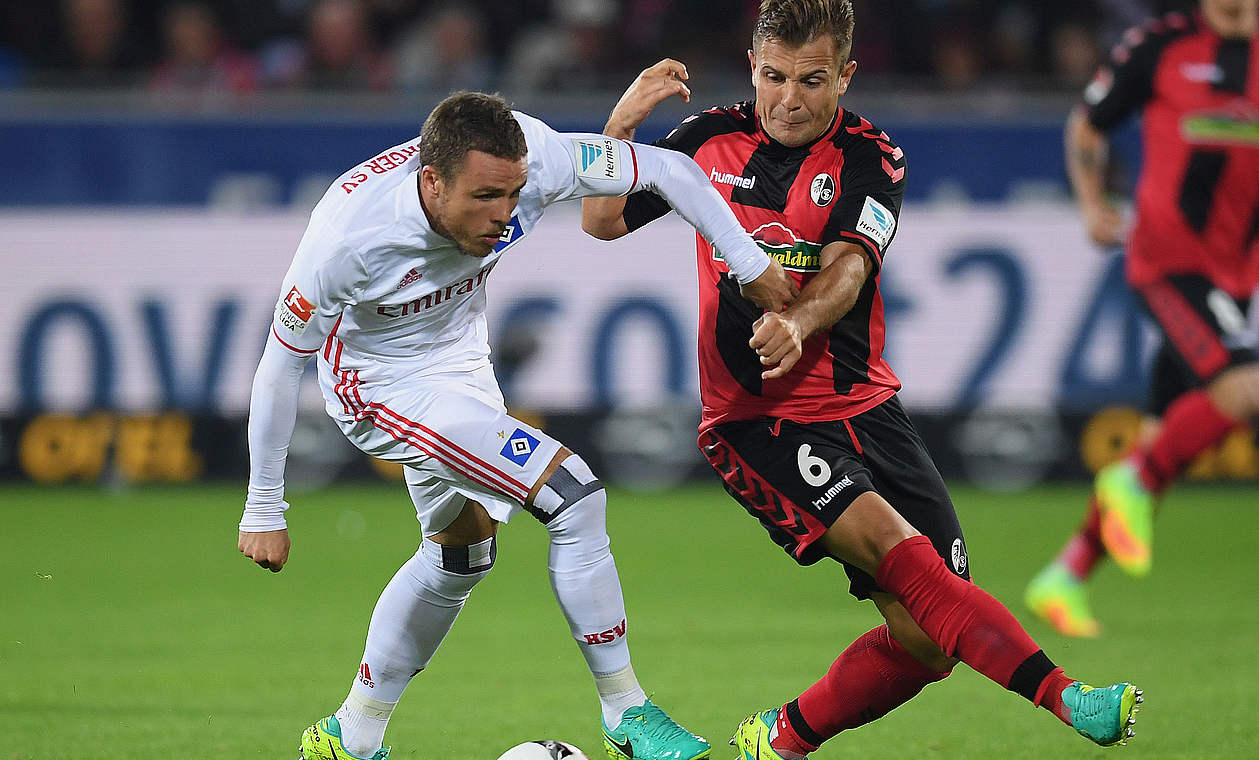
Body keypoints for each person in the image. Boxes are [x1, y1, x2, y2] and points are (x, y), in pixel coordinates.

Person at [581, 1, 1141, 756]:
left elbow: (850, 267)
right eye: (773, 77)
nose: (789, 98)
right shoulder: (707, 141)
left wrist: (799, 323)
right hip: (757, 422)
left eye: (811, 81)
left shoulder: (874, 158)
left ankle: (776, 739)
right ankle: (1066, 697)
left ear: (844, 74)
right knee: (895, 547)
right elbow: (602, 221)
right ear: (753, 67)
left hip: (867, 408)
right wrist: (621, 126)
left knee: (928, 641)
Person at [236, 91, 796, 760]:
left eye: (514, 193)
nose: (503, 215)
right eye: (483, 197)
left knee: (460, 555)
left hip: (459, 358)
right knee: (575, 494)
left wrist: (752, 263)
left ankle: (349, 735)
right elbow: (278, 366)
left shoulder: (541, 156)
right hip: (379, 384)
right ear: (431, 181)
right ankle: (626, 709)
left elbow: (672, 173)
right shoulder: (348, 237)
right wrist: (264, 505)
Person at [1025, 0, 1259, 638]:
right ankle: (1128, 476)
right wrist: (1093, 206)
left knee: (1167, 439)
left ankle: (1066, 575)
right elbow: (1087, 127)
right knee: (1246, 388)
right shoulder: (1158, 48)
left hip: (1239, 274)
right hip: (1168, 261)